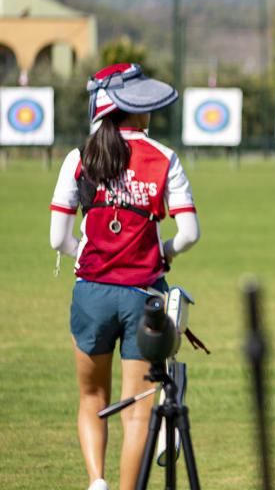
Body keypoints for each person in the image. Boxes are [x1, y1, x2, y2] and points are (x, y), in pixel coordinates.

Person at [49, 64, 201, 490]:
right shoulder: (164, 158)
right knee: (136, 408)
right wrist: (161, 254)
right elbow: (189, 234)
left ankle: (96, 481)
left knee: (91, 398)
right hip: (143, 298)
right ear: (136, 110)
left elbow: (58, 238)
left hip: (90, 295)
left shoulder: (78, 157)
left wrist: (95, 257)